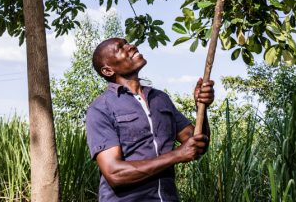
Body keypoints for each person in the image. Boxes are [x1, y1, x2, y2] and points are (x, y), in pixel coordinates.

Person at [86, 37, 215, 202]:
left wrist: (201, 109)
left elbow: (195, 145)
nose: (131, 46)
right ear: (108, 71)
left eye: (128, 43)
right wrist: (177, 155)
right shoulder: (101, 108)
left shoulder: (160, 98)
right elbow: (115, 173)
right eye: (120, 48)